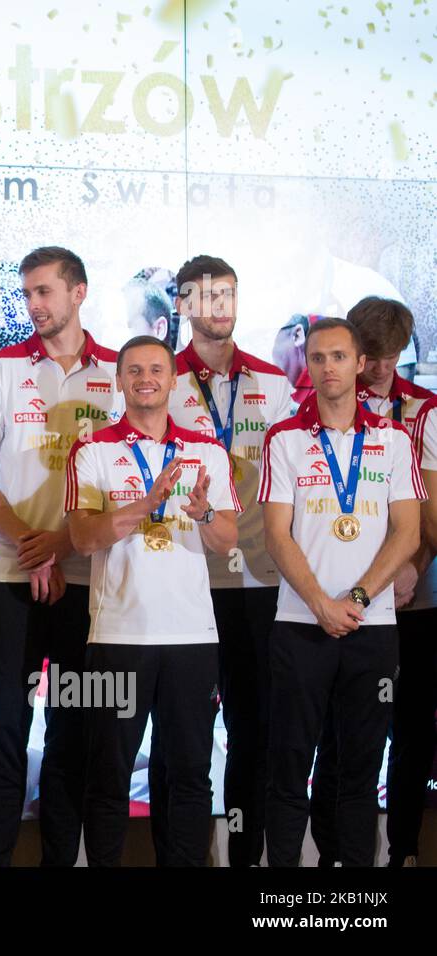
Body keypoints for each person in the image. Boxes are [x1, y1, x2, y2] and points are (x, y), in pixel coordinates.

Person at [0, 246, 123, 866]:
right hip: (12, 576)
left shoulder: (118, 370)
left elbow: (129, 473)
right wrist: (27, 546)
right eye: (27, 293)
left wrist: (61, 546)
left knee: (74, 735)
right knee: (4, 731)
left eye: (45, 292)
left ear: (79, 292)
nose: (33, 305)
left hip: (91, 580)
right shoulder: (1, 369)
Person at [66, 335, 239, 866]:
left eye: (156, 369)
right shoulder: (92, 450)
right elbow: (82, 538)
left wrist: (205, 512)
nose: (146, 378)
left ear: (172, 380)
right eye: (134, 369)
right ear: (119, 380)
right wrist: (146, 504)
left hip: (192, 638)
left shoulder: (206, 452)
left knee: (188, 772)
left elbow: (227, 540)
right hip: (118, 637)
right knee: (108, 773)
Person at [259, 318, 424, 867]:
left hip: (371, 629)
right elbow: (276, 534)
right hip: (300, 625)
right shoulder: (283, 439)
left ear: (359, 363)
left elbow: (409, 531)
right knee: (287, 769)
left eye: (338, 356)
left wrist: (354, 599)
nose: (327, 367)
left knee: (358, 772)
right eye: (318, 357)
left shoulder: (394, 441)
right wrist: (320, 603)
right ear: (308, 365)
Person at [157, 255, 294, 867]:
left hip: (261, 582)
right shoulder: (158, 380)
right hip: (184, 583)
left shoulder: (276, 383)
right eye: (204, 296)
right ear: (182, 304)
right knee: (179, 739)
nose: (218, 306)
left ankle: (245, 860)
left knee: (256, 735)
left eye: (228, 294)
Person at [310, 297, 437, 867]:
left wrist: (415, 565)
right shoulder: (323, 400)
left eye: (394, 355)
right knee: (339, 731)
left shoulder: (426, 410)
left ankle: (404, 849)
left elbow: (429, 511)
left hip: (415, 593)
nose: (384, 367)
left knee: (412, 726)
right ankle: (335, 852)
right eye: (375, 355)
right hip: (343, 594)